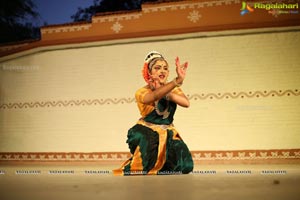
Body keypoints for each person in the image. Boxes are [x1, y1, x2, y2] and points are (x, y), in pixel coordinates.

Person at [113, 51, 193, 175]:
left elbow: (186, 103)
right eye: (157, 68)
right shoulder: (141, 91)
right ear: (149, 72)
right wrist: (175, 81)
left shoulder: (174, 89)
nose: (162, 71)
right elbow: (153, 96)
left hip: (168, 133)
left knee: (185, 166)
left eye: (165, 68)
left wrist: (171, 88)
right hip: (146, 132)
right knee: (147, 164)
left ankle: (163, 163)